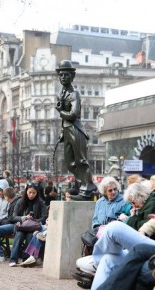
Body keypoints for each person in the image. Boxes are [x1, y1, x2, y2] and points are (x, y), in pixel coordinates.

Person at [71, 215, 155, 290]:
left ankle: (94, 265)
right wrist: (144, 228)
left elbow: (148, 220)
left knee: (116, 229)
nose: (113, 192)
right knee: (108, 259)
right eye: (110, 190)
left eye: (114, 189)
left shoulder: (153, 200)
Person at [55, 60, 96, 197]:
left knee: (81, 161)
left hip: (75, 129)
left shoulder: (74, 94)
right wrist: (62, 132)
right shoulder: (63, 93)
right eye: (61, 75)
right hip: (67, 130)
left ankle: (88, 188)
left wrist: (60, 111)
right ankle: (84, 185)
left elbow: (73, 114)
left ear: (72, 76)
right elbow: (65, 118)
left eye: (66, 75)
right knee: (70, 163)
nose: (63, 77)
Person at [9, 182, 47, 267]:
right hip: (21, 226)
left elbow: (44, 217)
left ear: (37, 193)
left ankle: (26, 260)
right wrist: (24, 217)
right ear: (26, 191)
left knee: (30, 236)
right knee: (19, 236)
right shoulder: (20, 201)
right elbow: (14, 216)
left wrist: (35, 220)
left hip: (33, 227)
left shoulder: (40, 202)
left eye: (34, 193)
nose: (31, 195)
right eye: (30, 192)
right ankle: (13, 260)